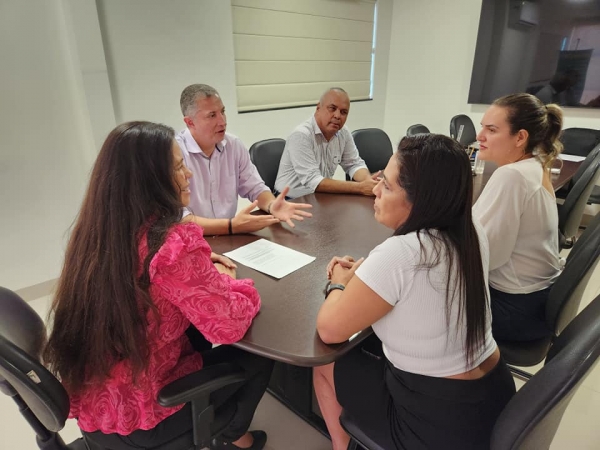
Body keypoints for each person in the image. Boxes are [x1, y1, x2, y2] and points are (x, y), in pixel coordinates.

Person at [43, 122, 273, 450]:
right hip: (143, 415)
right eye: (180, 167)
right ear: (151, 182)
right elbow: (228, 326)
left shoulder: (95, 234)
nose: (188, 175)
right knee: (258, 357)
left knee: (194, 335)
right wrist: (230, 284)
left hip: (97, 403)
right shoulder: (171, 244)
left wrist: (201, 273)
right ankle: (236, 435)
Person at [313, 134, 516, 450]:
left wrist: (339, 281)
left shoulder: (402, 253)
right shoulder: (471, 227)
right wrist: (369, 278)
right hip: (495, 397)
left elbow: (329, 331)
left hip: (437, 426)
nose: (375, 190)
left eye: (389, 186)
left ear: (422, 199)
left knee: (322, 364)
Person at [473, 93, 563, 341]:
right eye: (482, 127)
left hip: (513, 309)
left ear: (520, 137)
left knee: (412, 297)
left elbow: (485, 254)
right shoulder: (534, 164)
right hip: (535, 301)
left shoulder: (513, 176)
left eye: (491, 130)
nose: (480, 136)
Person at [177, 84, 312, 235]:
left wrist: (271, 205)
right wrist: (231, 226)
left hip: (229, 238)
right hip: (191, 241)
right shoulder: (175, 154)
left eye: (222, 111)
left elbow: (255, 188)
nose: (222, 121)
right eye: (212, 115)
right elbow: (177, 217)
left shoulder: (233, 145)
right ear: (190, 122)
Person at [274, 87, 379, 198]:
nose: (337, 116)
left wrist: (368, 182)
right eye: (332, 108)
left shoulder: (343, 132)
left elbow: (354, 164)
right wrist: (360, 188)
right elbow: (314, 181)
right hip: (289, 200)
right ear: (318, 108)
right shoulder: (301, 135)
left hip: (319, 196)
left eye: (343, 112)